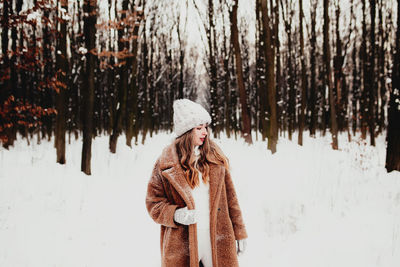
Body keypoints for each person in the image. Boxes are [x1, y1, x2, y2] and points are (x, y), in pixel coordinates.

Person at [146, 99, 248, 267]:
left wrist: (240, 232)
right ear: (186, 132)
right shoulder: (165, 163)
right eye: (199, 128)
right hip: (181, 246)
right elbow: (153, 203)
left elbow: (231, 200)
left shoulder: (215, 159)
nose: (205, 133)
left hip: (217, 240)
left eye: (205, 127)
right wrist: (175, 214)